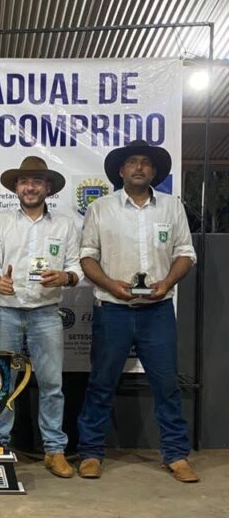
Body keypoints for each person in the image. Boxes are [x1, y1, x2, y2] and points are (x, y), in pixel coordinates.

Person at [77, 140, 199, 483]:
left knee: (165, 384)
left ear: (155, 171)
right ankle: (90, 453)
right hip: (113, 309)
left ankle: (176, 455)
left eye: (146, 163)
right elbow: (87, 256)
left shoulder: (172, 207)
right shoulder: (100, 208)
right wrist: (111, 284)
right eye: (133, 162)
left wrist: (167, 283)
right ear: (121, 170)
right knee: (101, 383)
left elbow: (186, 253)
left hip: (158, 310)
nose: (140, 167)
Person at [0, 156, 81, 477]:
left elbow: (78, 265)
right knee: (1, 384)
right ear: (16, 187)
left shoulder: (65, 225)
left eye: (37, 181)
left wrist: (66, 277)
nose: (30, 187)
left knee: (52, 384)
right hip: (5, 312)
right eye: (24, 181)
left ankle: (54, 450)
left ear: (48, 188)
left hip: (47, 313)